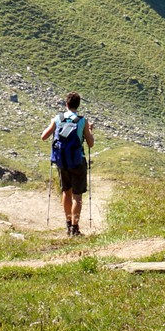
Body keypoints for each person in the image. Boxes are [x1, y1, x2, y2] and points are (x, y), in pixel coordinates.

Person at [40, 92, 95, 235]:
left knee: (66, 192)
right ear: (78, 105)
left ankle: (68, 223)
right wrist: (89, 130)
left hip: (62, 161)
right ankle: (75, 228)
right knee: (77, 195)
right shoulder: (82, 121)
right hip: (78, 162)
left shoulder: (58, 119)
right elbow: (91, 143)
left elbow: (43, 137)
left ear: (66, 104)